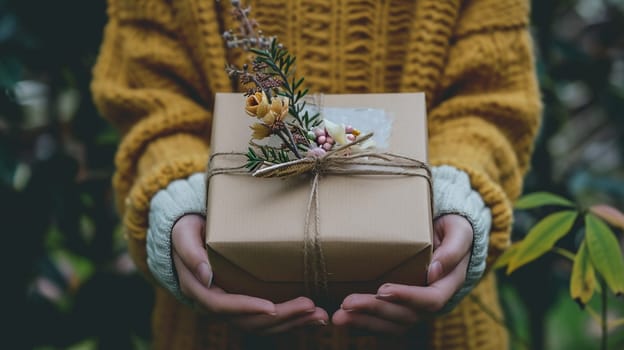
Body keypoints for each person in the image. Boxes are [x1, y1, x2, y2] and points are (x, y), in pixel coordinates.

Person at [91, 0, 541, 348]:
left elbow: (489, 100)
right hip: (214, 332)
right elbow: (150, 96)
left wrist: (455, 193)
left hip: (438, 334)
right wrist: (182, 196)